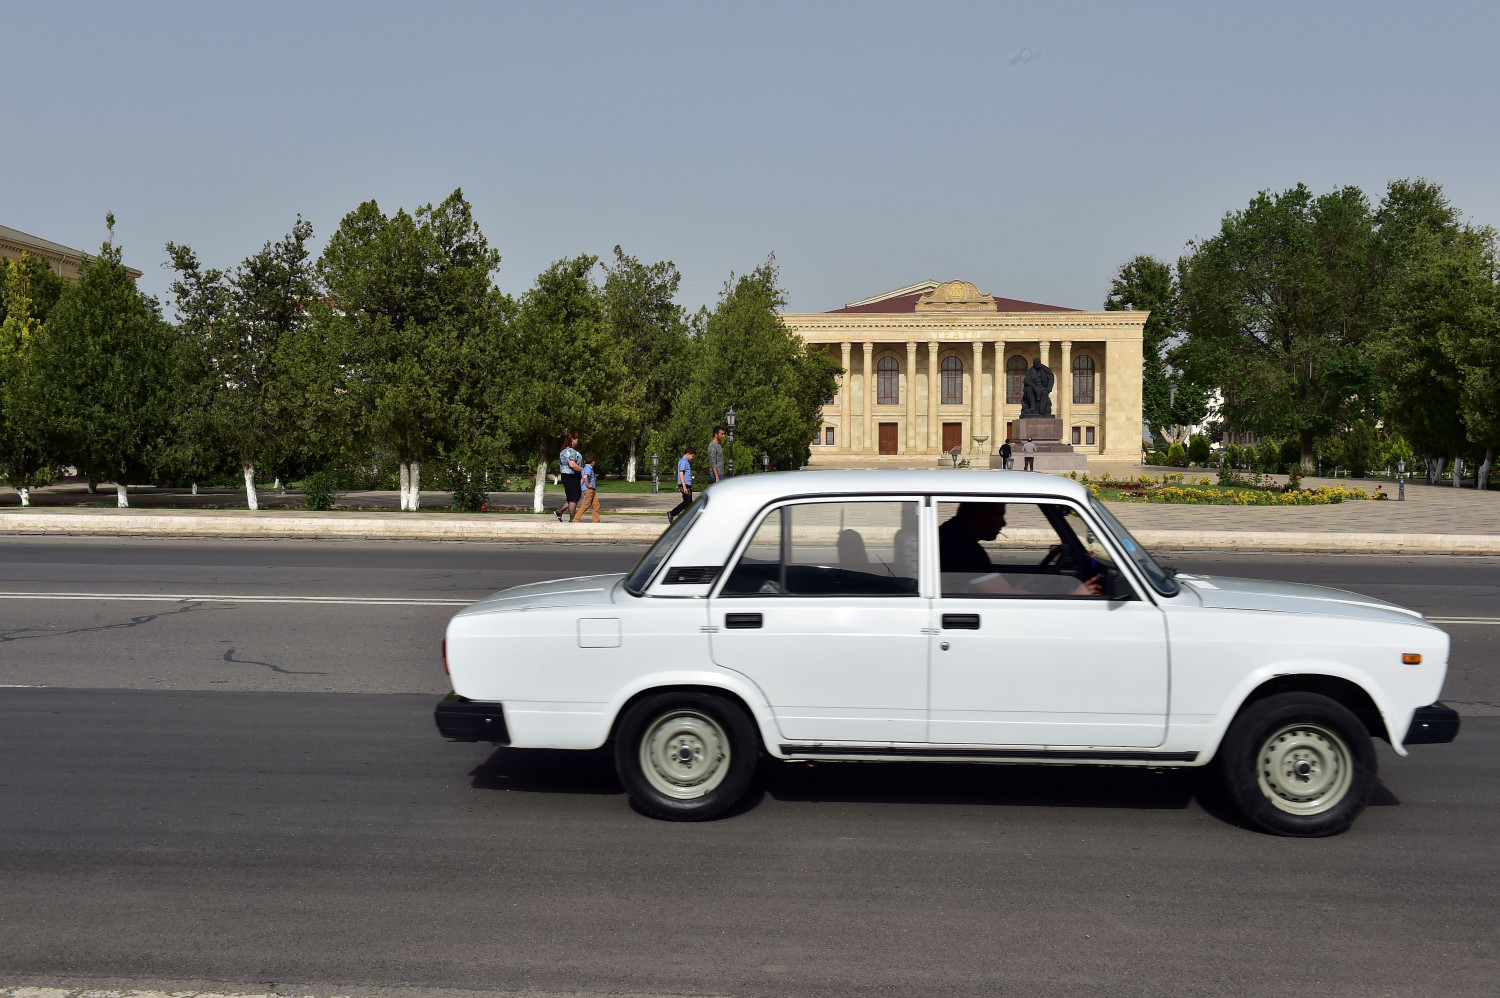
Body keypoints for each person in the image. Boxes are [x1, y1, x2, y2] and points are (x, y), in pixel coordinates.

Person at [938, 502, 1101, 596]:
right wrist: (1072, 598)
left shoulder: (955, 534)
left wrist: (1019, 585)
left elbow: (998, 586)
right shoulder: (963, 547)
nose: (1003, 523)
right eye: (998, 515)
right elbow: (1002, 592)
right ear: (978, 516)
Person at [555, 432, 583, 521]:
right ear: (572, 440)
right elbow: (572, 464)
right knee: (573, 499)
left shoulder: (564, 451)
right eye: (576, 438)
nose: (577, 440)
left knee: (573, 497)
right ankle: (572, 519)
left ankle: (559, 512)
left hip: (568, 476)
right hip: (571, 476)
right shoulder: (570, 452)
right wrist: (583, 470)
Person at [667, 445, 696, 523]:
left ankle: (687, 518)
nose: (693, 458)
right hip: (685, 484)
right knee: (687, 502)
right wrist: (684, 486)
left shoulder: (685, 461)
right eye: (692, 456)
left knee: (689, 503)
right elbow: (681, 474)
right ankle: (672, 513)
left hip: (687, 484)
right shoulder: (683, 461)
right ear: (688, 454)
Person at [571, 453, 600, 523]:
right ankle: (576, 519)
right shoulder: (588, 468)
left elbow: (582, 480)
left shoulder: (584, 468)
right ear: (593, 462)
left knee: (596, 505)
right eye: (594, 461)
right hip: (589, 489)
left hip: (591, 490)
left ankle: (596, 520)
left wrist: (582, 487)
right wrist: (588, 485)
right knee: (586, 505)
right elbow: (585, 477)